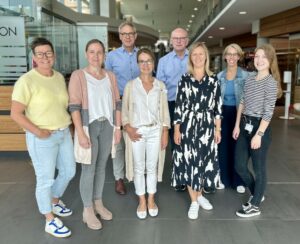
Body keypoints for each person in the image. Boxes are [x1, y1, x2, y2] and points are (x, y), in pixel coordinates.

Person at [10, 37, 75, 238]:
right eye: (40, 54)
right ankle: (49, 219)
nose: (45, 57)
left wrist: (69, 127)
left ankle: (54, 201)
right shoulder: (26, 81)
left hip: (63, 133)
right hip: (41, 138)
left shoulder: (57, 77)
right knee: (45, 179)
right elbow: (16, 113)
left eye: (48, 53)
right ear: (34, 57)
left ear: (54, 56)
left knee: (69, 171)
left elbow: (61, 106)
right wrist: (38, 132)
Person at [68, 39, 121, 229]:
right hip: (88, 127)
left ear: (104, 55)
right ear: (86, 54)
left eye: (99, 52)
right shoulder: (78, 76)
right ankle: (87, 209)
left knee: (101, 168)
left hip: (107, 125)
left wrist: (118, 128)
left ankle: (98, 202)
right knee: (88, 169)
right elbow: (74, 106)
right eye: (92, 52)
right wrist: (80, 133)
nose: (96, 56)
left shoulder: (110, 76)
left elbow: (117, 103)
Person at [171, 42, 222, 220]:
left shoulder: (214, 80)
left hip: (207, 125)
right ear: (190, 58)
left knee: (203, 162)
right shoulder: (184, 79)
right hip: (188, 125)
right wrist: (177, 130)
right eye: (195, 54)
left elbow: (218, 108)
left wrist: (218, 129)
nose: (198, 57)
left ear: (206, 57)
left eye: (201, 54)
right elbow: (178, 107)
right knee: (190, 161)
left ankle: (200, 195)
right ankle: (193, 201)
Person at [233, 44, 282, 218]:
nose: (260, 60)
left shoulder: (270, 83)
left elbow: (268, 113)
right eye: (257, 56)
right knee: (239, 165)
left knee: (259, 169)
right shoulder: (250, 78)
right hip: (245, 123)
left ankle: (254, 205)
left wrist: (259, 134)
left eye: (264, 57)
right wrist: (237, 125)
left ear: (270, 61)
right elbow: (242, 102)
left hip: (260, 127)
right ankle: (257, 194)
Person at [122, 48, 170, 219]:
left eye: (148, 60)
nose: (145, 64)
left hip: (155, 130)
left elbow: (164, 111)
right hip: (137, 131)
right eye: (142, 61)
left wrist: (165, 131)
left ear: (153, 63)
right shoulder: (130, 85)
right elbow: (125, 110)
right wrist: (128, 128)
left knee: (152, 166)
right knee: (138, 166)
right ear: (137, 64)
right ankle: (141, 200)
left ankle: (151, 199)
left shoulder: (160, 86)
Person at [105, 21, 140, 195]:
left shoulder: (142, 55)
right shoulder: (111, 57)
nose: (127, 36)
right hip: (118, 102)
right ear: (120, 36)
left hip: (138, 103)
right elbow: (107, 82)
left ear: (135, 35)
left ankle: (135, 175)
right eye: (124, 34)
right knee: (118, 142)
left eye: (130, 33)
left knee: (135, 138)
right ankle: (119, 178)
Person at [156, 27, 189, 192]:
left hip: (192, 106)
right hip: (171, 104)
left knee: (189, 141)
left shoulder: (196, 57)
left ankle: (191, 173)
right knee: (175, 143)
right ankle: (179, 174)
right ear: (171, 41)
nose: (179, 41)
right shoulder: (163, 61)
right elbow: (160, 87)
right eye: (175, 38)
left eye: (182, 38)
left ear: (187, 40)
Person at [217, 43, 249, 193]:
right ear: (225, 56)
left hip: (239, 114)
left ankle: (238, 181)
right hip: (223, 113)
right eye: (228, 54)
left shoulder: (245, 76)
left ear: (239, 56)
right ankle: (224, 179)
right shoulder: (219, 76)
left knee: (238, 148)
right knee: (222, 146)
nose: (231, 57)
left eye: (234, 54)